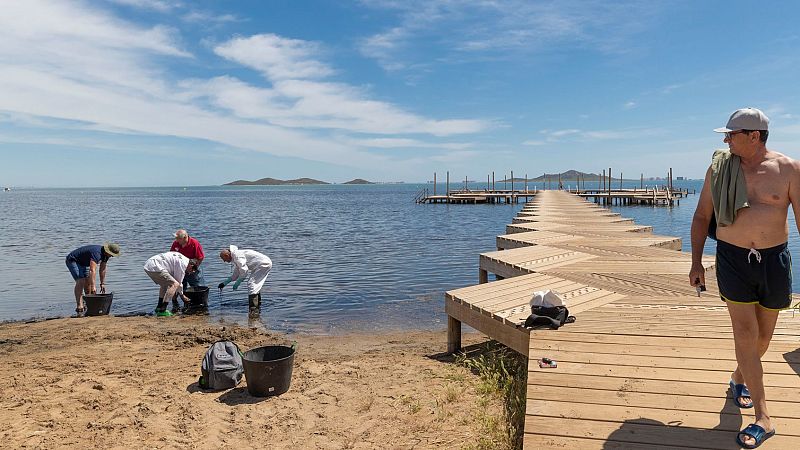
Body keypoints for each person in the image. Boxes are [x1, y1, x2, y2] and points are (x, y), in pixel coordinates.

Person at [689, 107, 797, 448]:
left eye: (731, 135)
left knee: (762, 339)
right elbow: (701, 216)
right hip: (732, 259)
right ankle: (763, 417)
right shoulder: (720, 169)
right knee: (746, 334)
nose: (726, 141)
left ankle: (739, 377)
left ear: (754, 136)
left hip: (773, 261)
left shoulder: (789, 169)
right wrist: (696, 263)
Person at [65, 243, 120, 314]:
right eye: (112, 254)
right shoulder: (96, 253)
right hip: (73, 260)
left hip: (84, 263)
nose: (112, 256)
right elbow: (92, 270)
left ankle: (88, 305)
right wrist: (93, 286)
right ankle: (79, 306)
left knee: (88, 286)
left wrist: (102, 283)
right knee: (81, 280)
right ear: (108, 251)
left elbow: (102, 269)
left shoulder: (106, 255)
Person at [143, 251, 196, 317]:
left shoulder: (182, 258)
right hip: (155, 266)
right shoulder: (183, 264)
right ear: (191, 265)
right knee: (174, 284)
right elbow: (178, 283)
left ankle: (159, 307)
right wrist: (182, 296)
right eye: (192, 270)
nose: (190, 272)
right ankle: (163, 310)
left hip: (149, 264)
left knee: (164, 285)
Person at [169, 229, 205, 308]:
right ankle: (176, 304)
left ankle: (200, 305)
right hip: (180, 269)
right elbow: (171, 256)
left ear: (185, 237)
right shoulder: (175, 243)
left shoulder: (194, 243)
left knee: (197, 286)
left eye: (178, 239)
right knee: (177, 286)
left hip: (193, 268)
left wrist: (194, 268)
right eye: (176, 238)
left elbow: (200, 257)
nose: (176, 241)